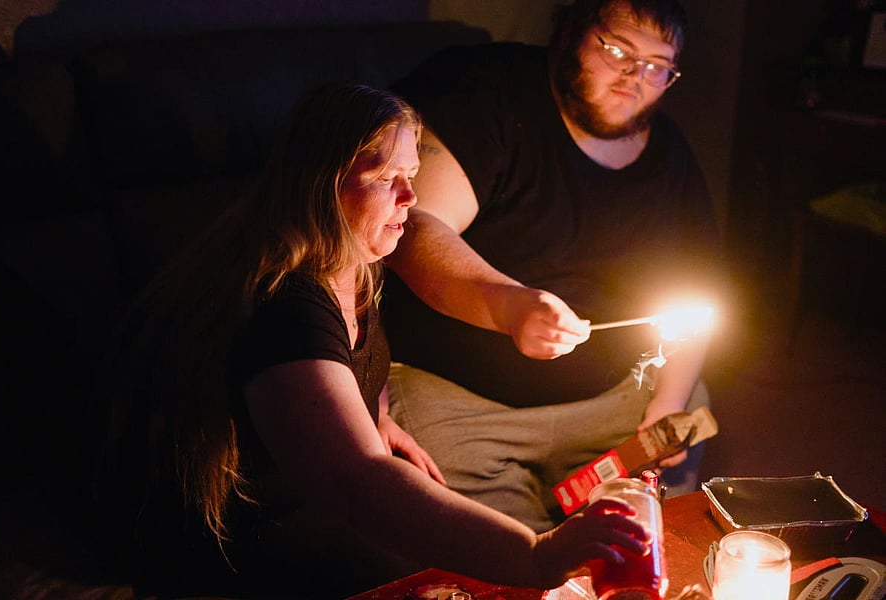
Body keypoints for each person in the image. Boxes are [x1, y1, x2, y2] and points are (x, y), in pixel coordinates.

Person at [93, 82, 655, 600]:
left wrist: (378, 420)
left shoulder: (354, 261)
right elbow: (359, 482)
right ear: (323, 182)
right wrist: (536, 555)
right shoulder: (288, 304)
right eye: (387, 178)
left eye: (411, 173)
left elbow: (353, 379)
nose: (411, 197)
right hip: (240, 541)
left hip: (302, 504)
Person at [382, 0, 725, 534]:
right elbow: (414, 229)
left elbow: (701, 283)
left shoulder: (668, 154)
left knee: (652, 534)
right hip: (461, 407)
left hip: (616, 401)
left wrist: (668, 402)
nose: (634, 78)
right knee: (510, 560)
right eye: (617, 51)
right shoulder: (486, 93)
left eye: (658, 66)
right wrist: (511, 306)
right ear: (571, 33)